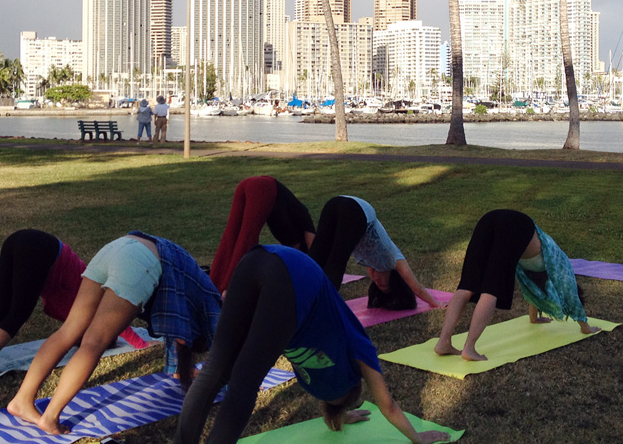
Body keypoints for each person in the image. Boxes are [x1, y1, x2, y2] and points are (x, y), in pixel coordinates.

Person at [174, 245, 451, 444]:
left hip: (259, 260)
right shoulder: (356, 345)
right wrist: (417, 438)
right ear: (346, 381)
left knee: (217, 370)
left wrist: (340, 413)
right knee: (240, 383)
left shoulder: (318, 376)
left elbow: (336, 393)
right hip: (291, 276)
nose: (324, 391)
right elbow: (387, 404)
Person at [7, 232, 221, 436]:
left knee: (68, 331)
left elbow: (179, 333)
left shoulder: (199, 283)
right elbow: (184, 335)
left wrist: (182, 370)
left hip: (116, 247)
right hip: (139, 262)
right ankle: (50, 417)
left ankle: (22, 400)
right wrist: (188, 381)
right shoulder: (212, 309)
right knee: (94, 342)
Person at [0, 229, 147, 377]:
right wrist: (142, 343)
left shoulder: (73, 312)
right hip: (41, 249)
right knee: (18, 313)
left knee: (2, 308)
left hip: (20, 239)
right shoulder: (91, 303)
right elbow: (112, 316)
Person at [435, 209, 599, 362]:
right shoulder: (562, 265)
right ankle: (469, 348)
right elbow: (570, 292)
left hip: (490, 218)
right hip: (516, 226)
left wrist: (534, 319)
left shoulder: (537, 267)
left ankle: (443, 342)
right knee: (491, 288)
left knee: (466, 285)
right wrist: (585, 327)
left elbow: (531, 288)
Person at [309, 195, 441, 310]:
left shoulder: (372, 266)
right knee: (336, 263)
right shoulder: (395, 259)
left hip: (335, 203)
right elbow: (417, 288)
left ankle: (303, 298)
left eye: (378, 286)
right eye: (385, 284)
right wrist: (435, 303)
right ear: (395, 280)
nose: (378, 282)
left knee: (313, 260)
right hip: (355, 210)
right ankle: (323, 306)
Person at [208, 176, 315, 293]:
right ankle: (230, 289)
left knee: (231, 235)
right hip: (264, 187)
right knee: (247, 239)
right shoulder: (305, 227)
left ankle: (213, 283)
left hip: (247, 184)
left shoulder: (287, 240)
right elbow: (315, 250)